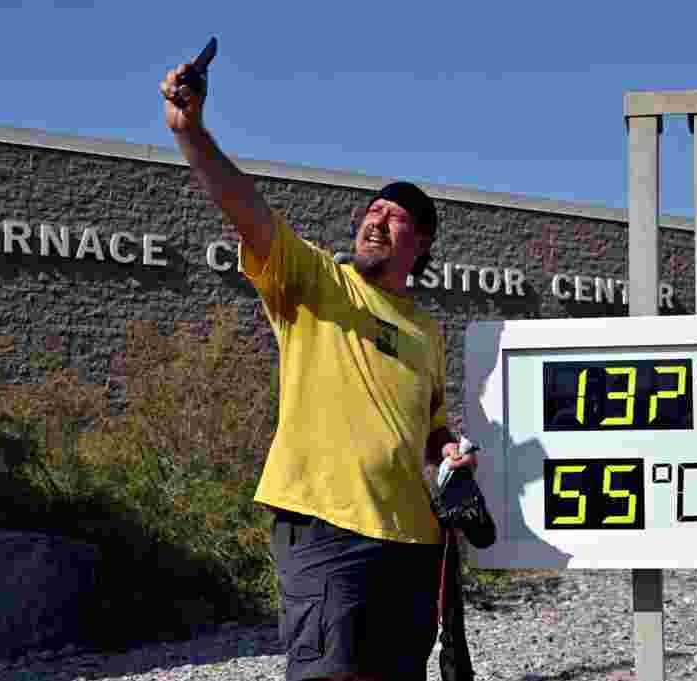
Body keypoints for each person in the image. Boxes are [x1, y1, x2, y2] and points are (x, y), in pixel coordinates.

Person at [160, 61, 478, 681]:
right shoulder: (314, 281)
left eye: (395, 216)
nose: (375, 219)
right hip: (326, 529)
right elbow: (246, 209)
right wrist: (191, 133)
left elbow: (431, 429)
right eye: (372, 210)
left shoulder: (427, 331)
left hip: (414, 542)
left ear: (423, 244)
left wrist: (450, 456)